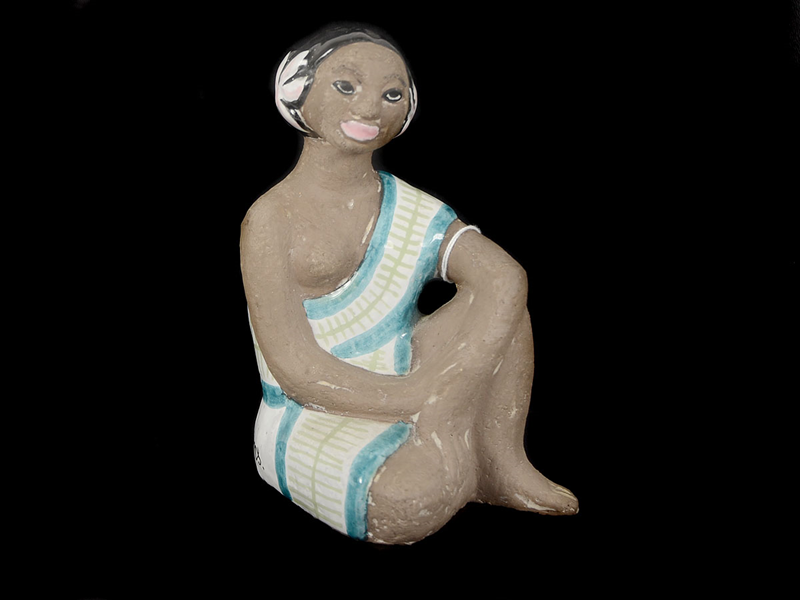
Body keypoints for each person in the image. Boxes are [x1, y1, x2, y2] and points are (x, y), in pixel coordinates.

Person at [240, 25, 578, 544]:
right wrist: (415, 398)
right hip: (313, 411)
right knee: (408, 505)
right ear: (297, 91)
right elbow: (296, 371)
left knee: (504, 304)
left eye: (392, 95)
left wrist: (439, 399)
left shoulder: (408, 206)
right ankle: (454, 458)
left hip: (415, 375)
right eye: (346, 86)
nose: (370, 107)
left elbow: (503, 275)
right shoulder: (270, 219)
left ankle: (501, 461)